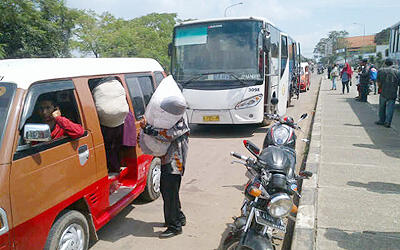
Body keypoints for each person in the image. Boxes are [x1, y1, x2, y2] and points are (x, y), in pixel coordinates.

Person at [140, 99, 190, 239]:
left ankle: (174, 226)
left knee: (169, 193)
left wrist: (148, 129)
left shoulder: (180, 120)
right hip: (169, 160)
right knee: (171, 192)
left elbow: (169, 135)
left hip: (174, 163)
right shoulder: (173, 117)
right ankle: (178, 217)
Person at [375, 58, 400, 128]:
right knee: (390, 108)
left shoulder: (381, 70)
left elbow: (378, 82)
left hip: (383, 91)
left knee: (382, 107)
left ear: (385, 63)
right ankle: (388, 122)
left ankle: (381, 120)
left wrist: (380, 88)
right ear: (392, 63)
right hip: (393, 92)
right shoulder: (397, 72)